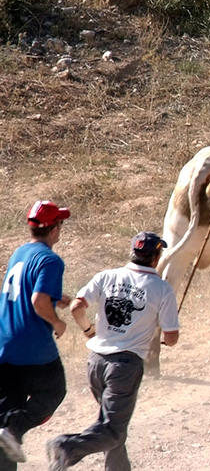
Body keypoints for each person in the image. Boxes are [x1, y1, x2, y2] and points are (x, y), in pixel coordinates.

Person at [46, 232, 179, 471]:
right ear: (156, 257)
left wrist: (88, 330)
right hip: (124, 367)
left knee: (110, 425)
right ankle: (66, 447)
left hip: (95, 362)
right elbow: (172, 337)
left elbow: (76, 307)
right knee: (113, 431)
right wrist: (166, 341)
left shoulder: (107, 276)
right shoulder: (162, 289)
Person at [0, 201, 71, 471]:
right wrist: (56, 321)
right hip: (32, 347)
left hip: (4, 344)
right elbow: (38, 299)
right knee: (54, 391)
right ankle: (16, 428)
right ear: (54, 230)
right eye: (60, 224)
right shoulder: (50, 259)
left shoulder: (20, 253)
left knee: (4, 416)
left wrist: (55, 297)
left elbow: (18, 290)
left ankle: (9, 432)